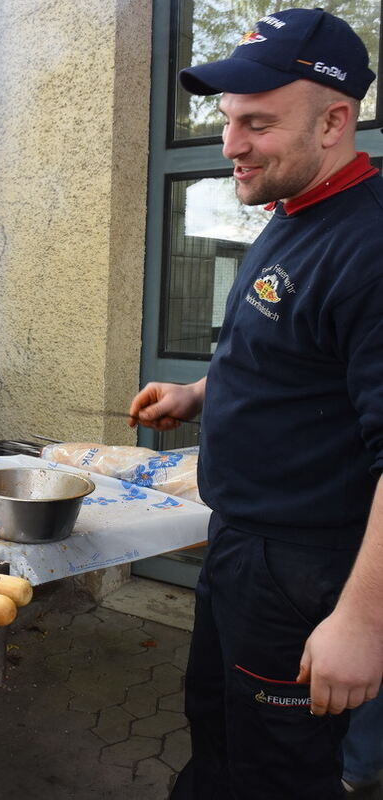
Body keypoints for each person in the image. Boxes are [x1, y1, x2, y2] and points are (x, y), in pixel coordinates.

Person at [127, 8, 383, 799]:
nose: (230, 145)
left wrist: (361, 623)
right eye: (228, 120)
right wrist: (199, 392)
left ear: (336, 121)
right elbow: (299, 361)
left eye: (258, 124)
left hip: (308, 572)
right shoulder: (294, 210)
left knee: (280, 772)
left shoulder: (369, 245)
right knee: (220, 735)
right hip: (244, 549)